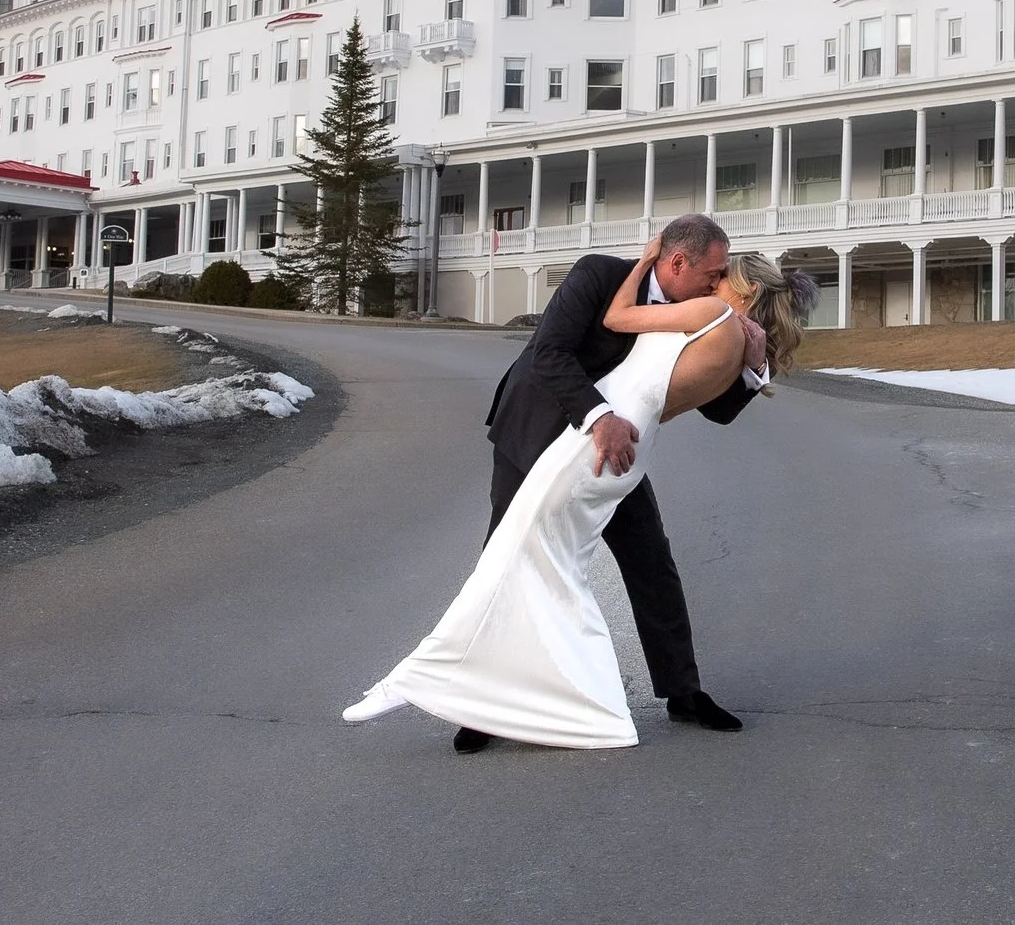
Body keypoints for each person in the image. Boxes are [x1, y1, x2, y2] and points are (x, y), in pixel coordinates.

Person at [343, 229, 814, 749]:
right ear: (678, 261)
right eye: (713, 273)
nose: (717, 281)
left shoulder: (700, 312)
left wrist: (751, 366)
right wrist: (600, 416)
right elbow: (550, 353)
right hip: (540, 429)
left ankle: (684, 692)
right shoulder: (599, 274)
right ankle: (478, 710)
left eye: (723, 276)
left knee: (651, 561)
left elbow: (715, 408)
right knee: (505, 557)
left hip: (614, 453)